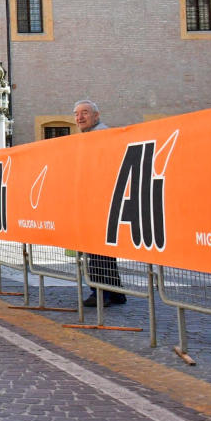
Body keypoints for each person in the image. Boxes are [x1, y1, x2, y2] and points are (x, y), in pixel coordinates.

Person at [75, 99, 127, 307]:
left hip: (99, 201)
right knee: (103, 249)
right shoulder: (91, 136)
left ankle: (101, 293)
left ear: (96, 116)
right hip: (99, 200)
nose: (79, 117)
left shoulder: (100, 135)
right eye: (77, 113)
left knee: (97, 249)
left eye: (85, 113)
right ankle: (115, 292)